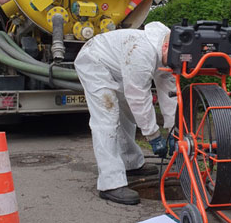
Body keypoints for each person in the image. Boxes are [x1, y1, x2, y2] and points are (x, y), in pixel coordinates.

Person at [74, 21, 177, 205]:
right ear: (166, 46)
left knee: (127, 115)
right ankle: (110, 183)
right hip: (94, 61)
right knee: (107, 117)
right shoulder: (142, 51)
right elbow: (138, 96)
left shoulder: (168, 53)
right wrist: (153, 136)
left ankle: (131, 163)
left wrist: (173, 129)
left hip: (117, 66)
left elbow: (169, 92)